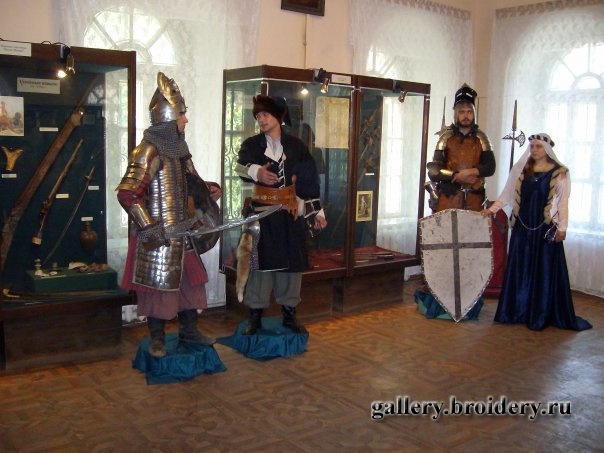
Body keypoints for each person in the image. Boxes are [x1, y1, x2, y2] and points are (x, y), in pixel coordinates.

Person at [117, 72, 222, 358]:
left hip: (183, 232)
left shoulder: (180, 150)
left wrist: (207, 192)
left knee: (191, 284)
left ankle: (189, 332)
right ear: (167, 118)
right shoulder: (147, 151)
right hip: (159, 235)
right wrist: (149, 229)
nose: (185, 120)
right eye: (182, 114)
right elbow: (127, 194)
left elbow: (190, 184)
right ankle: (157, 339)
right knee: (157, 288)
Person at [235, 95, 327, 335]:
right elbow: (239, 166)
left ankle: (289, 314)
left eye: (265, 114)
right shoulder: (252, 145)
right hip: (262, 215)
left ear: (278, 116)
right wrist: (257, 172)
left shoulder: (296, 146)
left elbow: (309, 180)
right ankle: (255, 316)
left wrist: (317, 212)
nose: (261, 119)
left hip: (290, 214)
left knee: (291, 266)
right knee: (260, 266)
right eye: (258, 116)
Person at [482, 133, 591, 331]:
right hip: (523, 227)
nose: (534, 150)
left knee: (543, 269)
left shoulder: (559, 173)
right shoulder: (523, 170)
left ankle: (540, 313)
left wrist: (562, 227)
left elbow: (562, 202)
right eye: (531, 146)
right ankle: (517, 311)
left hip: (545, 228)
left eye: (538, 146)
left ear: (547, 149)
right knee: (521, 268)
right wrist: (492, 209)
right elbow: (507, 194)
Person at [416, 84, 496, 319]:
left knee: (470, 248)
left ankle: (468, 298)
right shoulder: (446, 138)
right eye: (462, 111)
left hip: (473, 201)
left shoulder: (481, 138)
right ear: (456, 113)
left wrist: (473, 171)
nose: (466, 116)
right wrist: (456, 176)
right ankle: (441, 297)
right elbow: (433, 169)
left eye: (469, 111)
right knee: (444, 246)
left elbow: (490, 167)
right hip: (449, 198)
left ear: (473, 113)